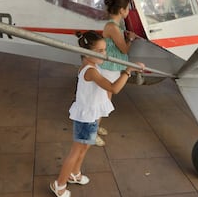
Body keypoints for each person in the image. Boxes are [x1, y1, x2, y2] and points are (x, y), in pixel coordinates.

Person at [49, 30, 143, 197]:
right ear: (86, 53)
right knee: (76, 151)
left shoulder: (93, 66)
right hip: (86, 118)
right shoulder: (90, 70)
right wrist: (128, 71)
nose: (105, 54)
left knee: (85, 146)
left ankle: (74, 173)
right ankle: (59, 184)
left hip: (91, 115)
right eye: (100, 51)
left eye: (105, 50)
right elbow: (114, 88)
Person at [97, 0, 137, 146]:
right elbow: (124, 49)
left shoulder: (115, 25)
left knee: (105, 100)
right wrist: (131, 39)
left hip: (112, 67)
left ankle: (96, 126)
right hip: (108, 68)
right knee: (102, 100)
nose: (128, 11)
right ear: (121, 10)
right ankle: (92, 132)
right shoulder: (113, 27)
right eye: (127, 8)